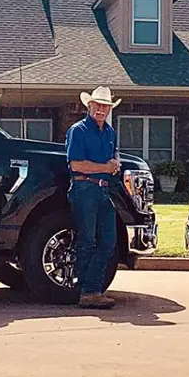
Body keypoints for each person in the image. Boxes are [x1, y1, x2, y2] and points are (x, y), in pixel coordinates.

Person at [65, 86, 122, 309]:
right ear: (89, 106)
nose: (101, 109)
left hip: (103, 189)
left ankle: (91, 289)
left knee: (109, 241)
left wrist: (114, 165)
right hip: (84, 189)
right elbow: (76, 164)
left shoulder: (110, 132)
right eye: (97, 105)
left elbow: (111, 158)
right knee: (87, 240)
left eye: (105, 106)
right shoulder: (77, 130)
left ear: (109, 109)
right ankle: (87, 291)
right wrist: (106, 168)